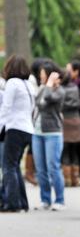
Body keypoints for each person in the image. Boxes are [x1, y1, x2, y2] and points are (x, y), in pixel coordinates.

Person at [0, 55, 35, 212]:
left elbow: (6, 108)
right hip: (27, 129)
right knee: (14, 166)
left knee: (8, 166)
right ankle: (22, 203)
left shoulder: (12, 83)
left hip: (15, 128)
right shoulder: (28, 84)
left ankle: (13, 204)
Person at [32, 61, 65, 210]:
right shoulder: (42, 88)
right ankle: (45, 199)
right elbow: (38, 102)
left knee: (53, 167)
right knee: (40, 169)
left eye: (43, 74)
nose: (41, 76)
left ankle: (59, 200)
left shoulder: (59, 91)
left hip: (53, 133)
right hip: (37, 132)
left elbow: (44, 103)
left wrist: (50, 85)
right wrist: (46, 87)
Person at [61, 71, 80, 186]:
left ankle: (67, 180)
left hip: (65, 121)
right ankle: (76, 178)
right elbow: (79, 103)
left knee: (65, 150)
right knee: (74, 151)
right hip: (76, 120)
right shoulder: (75, 88)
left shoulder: (61, 89)